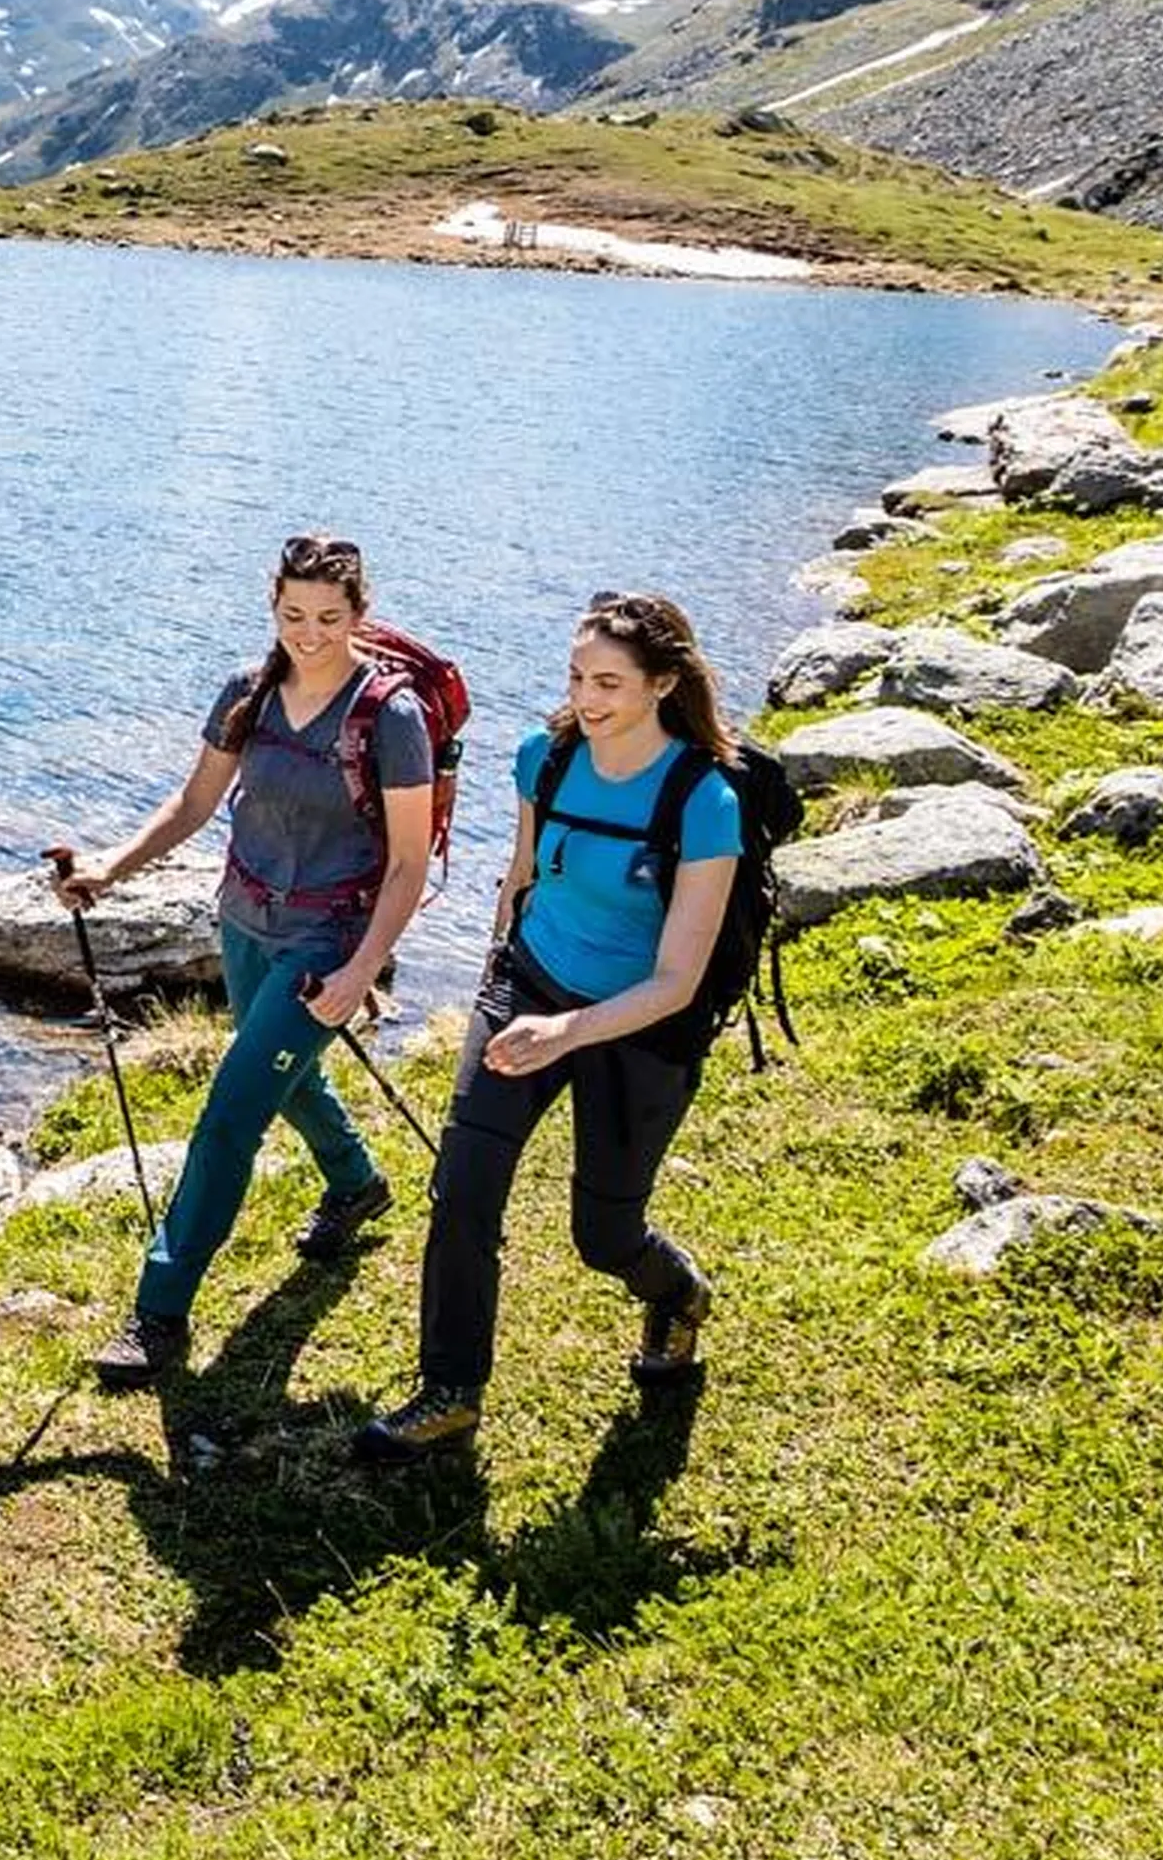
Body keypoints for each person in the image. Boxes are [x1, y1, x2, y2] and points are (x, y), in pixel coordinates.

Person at [356, 590, 736, 1463]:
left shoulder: (702, 799)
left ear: (663, 684)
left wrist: (566, 1032)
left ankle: (676, 1293)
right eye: (576, 676)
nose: (586, 698)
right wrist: (500, 976)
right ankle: (450, 1391)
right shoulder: (547, 759)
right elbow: (521, 877)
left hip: (635, 1024)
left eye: (609, 681)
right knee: (461, 1191)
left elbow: (679, 981)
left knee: (604, 1236)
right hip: (526, 989)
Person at [54, 533, 433, 1390]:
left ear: (359, 616)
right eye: (294, 614)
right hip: (243, 917)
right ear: (274, 606)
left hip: (326, 940)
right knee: (286, 1076)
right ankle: (356, 1180)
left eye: (329, 618)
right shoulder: (248, 690)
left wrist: (364, 967)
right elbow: (195, 801)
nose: (309, 632)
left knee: (230, 1113)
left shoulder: (391, 716)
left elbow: (407, 863)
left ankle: (160, 1309)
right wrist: (112, 867)